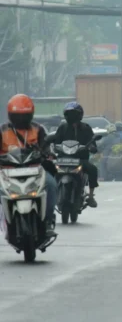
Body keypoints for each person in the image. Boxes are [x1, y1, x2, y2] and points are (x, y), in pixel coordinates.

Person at [0, 94, 57, 238]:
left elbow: (46, 146)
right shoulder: (2, 131)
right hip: (7, 172)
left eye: (24, 115)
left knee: (51, 185)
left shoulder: (38, 129)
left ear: (31, 114)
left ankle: (48, 220)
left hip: (35, 170)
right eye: (17, 116)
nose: (21, 119)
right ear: (10, 115)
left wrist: (48, 154)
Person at [53, 102, 99, 207]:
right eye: (69, 114)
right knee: (49, 170)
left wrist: (92, 147)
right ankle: (50, 193)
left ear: (80, 115)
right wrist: (53, 147)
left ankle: (91, 196)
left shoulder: (86, 128)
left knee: (93, 170)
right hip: (63, 160)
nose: (72, 117)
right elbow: (56, 141)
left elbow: (92, 143)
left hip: (80, 160)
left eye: (74, 114)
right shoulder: (62, 128)